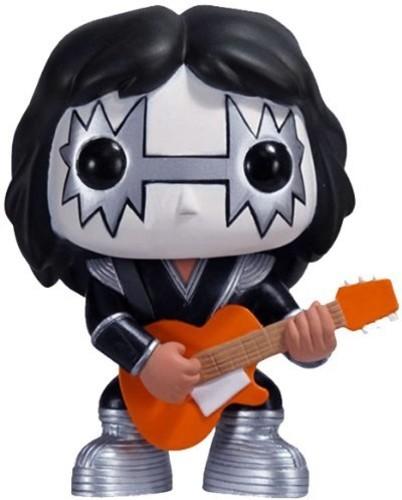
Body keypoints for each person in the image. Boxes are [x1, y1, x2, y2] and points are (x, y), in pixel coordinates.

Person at [5, 6, 355, 498]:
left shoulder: (250, 270)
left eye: (264, 163)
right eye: (102, 162)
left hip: (237, 388)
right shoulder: (116, 273)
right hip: (143, 393)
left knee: (257, 408)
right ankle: (130, 447)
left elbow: (283, 318)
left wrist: (308, 344)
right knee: (124, 411)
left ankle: (246, 448)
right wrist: (146, 359)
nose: (187, 202)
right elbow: (106, 322)